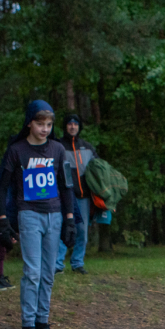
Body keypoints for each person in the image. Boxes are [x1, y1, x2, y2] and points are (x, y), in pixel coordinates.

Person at [0, 99, 76, 329]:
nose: (45, 128)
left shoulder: (58, 149)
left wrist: (70, 218)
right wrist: (3, 221)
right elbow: (2, 188)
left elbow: (67, 186)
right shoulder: (17, 151)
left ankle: (42, 324)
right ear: (29, 123)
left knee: (49, 271)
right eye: (40, 123)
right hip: (28, 214)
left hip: (54, 216)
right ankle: (26, 328)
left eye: (49, 124)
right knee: (33, 272)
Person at [56, 115, 97, 274]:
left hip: (83, 197)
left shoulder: (87, 147)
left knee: (82, 231)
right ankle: (58, 264)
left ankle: (77, 262)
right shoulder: (58, 145)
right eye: (69, 124)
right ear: (65, 126)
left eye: (75, 124)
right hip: (64, 195)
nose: (72, 127)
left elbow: (97, 169)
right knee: (62, 228)